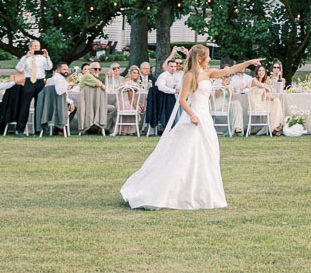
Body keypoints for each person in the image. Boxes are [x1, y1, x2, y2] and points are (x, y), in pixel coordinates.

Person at [121, 45, 262, 210]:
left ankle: (203, 193)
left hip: (205, 118)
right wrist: (192, 115)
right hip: (194, 117)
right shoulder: (189, 76)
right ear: (200, 58)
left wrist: (248, 63)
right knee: (186, 153)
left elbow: (228, 71)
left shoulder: (208, 73)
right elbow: (182, 100)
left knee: (208, 152)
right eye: (208, 57)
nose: (210, 59)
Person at [14, 41, 52, 134]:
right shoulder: (25, 57)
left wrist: (47, 57)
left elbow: (49, 68)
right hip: (29, 81)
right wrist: (26, 57)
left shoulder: (43, 58)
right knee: (24, 106)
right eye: (34, 46)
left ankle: (38, 130)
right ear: (30, 47)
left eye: (38, 46)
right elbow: (19, 69)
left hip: (40, 82)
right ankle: (20, 130)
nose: (36, 47)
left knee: (39, 106)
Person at [74, 62, 110, 134]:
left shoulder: (91, 77)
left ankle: (98, 127)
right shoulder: (87, 76)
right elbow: (101, 85)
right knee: (112, 108)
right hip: (88, 105)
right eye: (95, 69)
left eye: (99, 69)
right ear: (90, 70)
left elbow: (103, 86)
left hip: (93, 105)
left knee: (111, 108)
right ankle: (101, 127)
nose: (97, 70)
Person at [248, 64, 285, 135]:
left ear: (265, 72)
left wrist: (271, 98)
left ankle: (275, 127)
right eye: (259, 71)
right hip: (254, 105)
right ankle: (274, 128)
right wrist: (268, 86)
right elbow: (260, 85)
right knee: (275, 104)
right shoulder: (254, 80)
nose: (261, 72)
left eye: (263, 71)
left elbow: (263, 97)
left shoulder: (263, 82)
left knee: (276, 101)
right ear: (256, 72)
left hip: (261, 103)